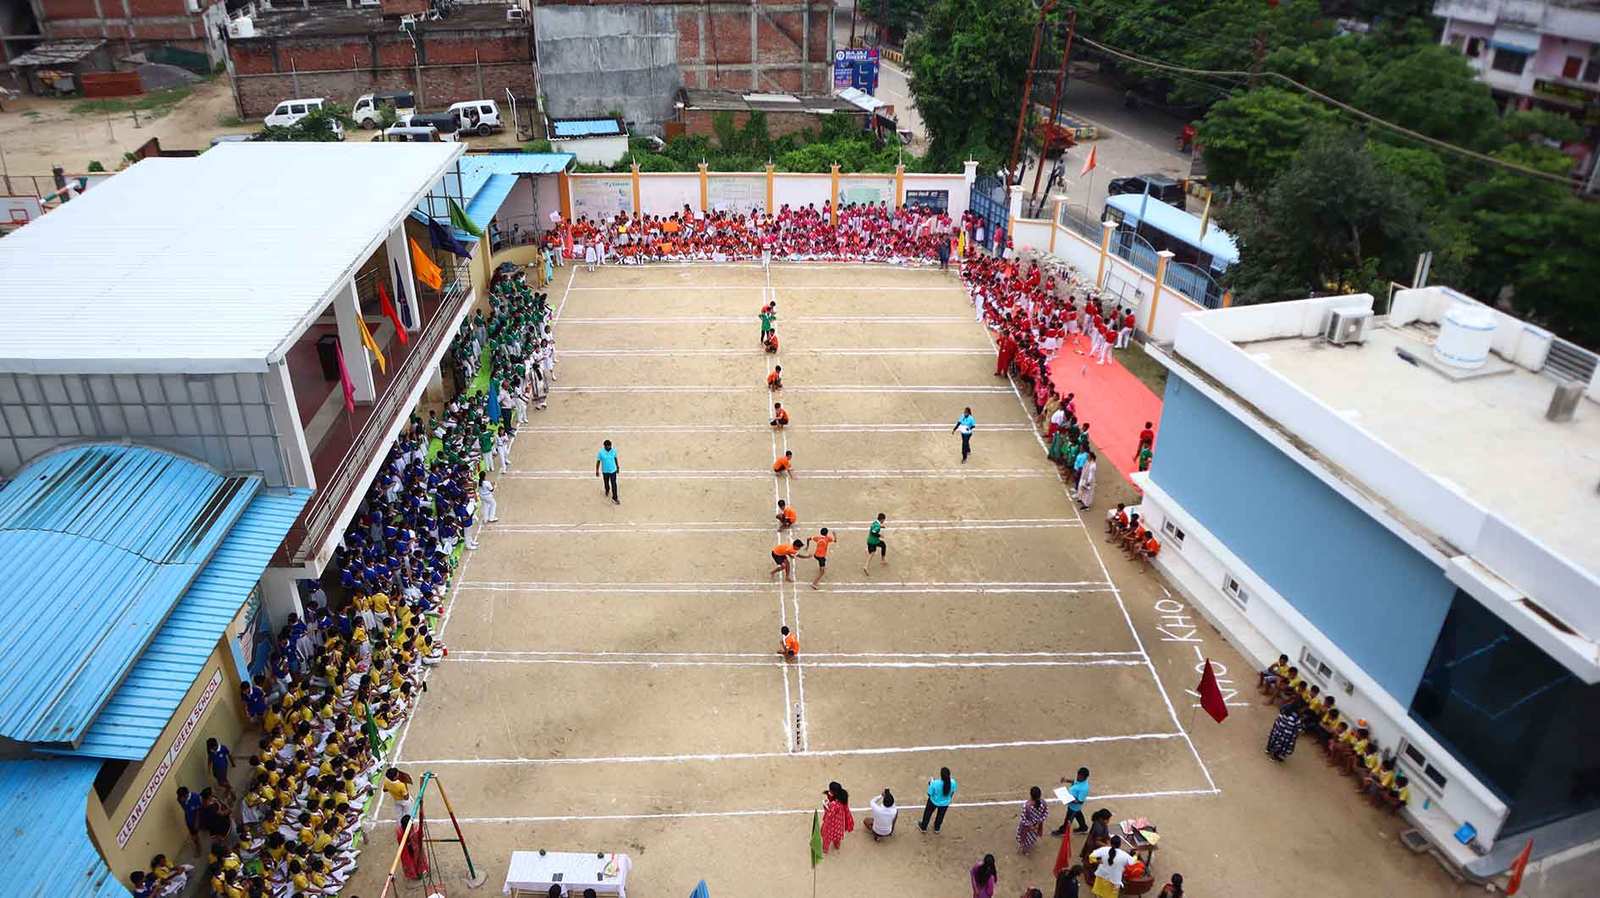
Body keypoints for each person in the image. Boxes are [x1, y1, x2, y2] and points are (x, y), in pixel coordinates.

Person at [1052, 767, 1091, 835]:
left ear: (1085, 777)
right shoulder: (1080, 780)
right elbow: (1074, 781)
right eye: (1078, 775)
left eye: (1080, 776)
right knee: (1078, 814)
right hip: (1075, 807)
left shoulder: (1084, 788)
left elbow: (1080, 801)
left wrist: (1069, 799)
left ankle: (1063, 830)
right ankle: (1083, 827)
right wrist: (1066, 780)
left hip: (1074, 807)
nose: (1078, 777)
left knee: (1068, 819)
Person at [920, 766, 957, 833]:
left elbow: (929, 794)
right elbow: (952, 793)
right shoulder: (953, 782)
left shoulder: (935, 783)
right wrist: (948, 799)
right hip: (945, 803)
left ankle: (923, 827)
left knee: (927, 813)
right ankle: (937, 828)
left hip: (933, 802)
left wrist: (930, 784)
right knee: (941, 815)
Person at [821, 782, 854, 853]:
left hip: (831, 824)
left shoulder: (834, 804)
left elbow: (829, 814)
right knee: (837, 836)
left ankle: (825, 849)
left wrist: (825, 805)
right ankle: (837, 845)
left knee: (826, 837)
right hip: (839, 823)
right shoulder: (842, 798)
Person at [1016, 785, 1050, 853]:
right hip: (1037, 825)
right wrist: (1038, 823)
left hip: (1028, 827)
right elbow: (1045, 814)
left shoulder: (1027, 806)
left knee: (1024, 837)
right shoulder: (1043, 803)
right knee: (1032, 837)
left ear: (1031, 795)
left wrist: (1031, 826)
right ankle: (1026, 848)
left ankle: (1024, 849)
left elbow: (1023, 819)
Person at [595, 438, 620, 505]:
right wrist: (597, 470)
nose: (610, 447)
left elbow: (615, 458)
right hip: (605, 471)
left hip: (613, 470)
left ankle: (615, 498)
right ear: (605, 446)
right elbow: (598, 461)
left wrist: (617, 467)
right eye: (608, 446)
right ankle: (607, 490)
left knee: (614, 484)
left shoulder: (613, 451)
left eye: (610, 446)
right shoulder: (601, 452)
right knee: (606, 483)